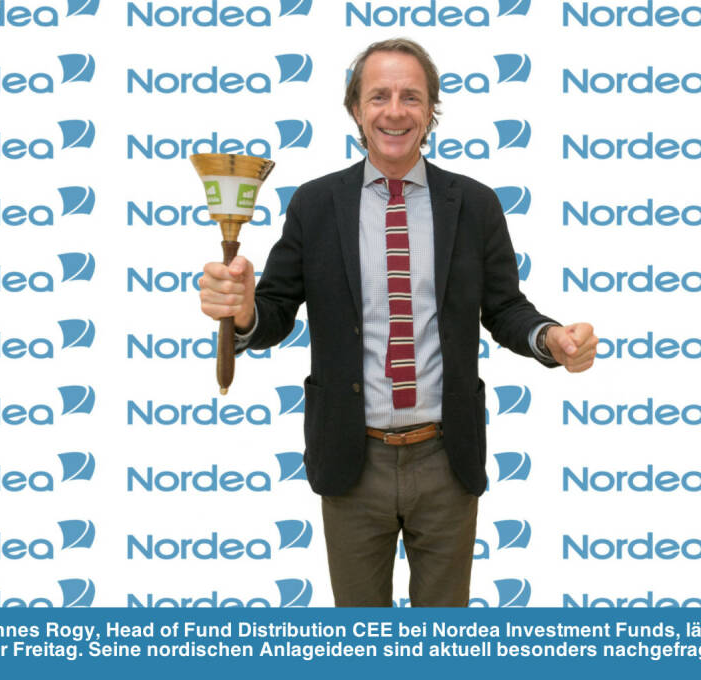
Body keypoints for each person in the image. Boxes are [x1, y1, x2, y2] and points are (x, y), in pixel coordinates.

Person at [198, 38, 597, 607]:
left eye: (411, 97)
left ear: (431, 110)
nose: (395, 111)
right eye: (378, 96)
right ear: (355, 109)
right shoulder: (314, 204)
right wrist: (243, 312)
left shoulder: (475, 204)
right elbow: (275, 310)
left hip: (446, 457)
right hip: (350, 457)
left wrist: (549, 338)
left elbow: (505, 307)